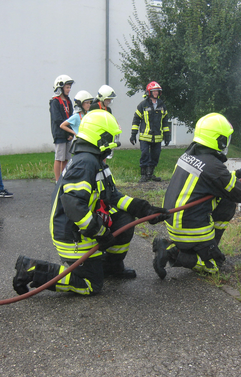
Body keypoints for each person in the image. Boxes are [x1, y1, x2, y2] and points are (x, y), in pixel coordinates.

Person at [13, 110, 168, 296]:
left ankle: (111, 267)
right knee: (90, 285)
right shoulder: (85, 162)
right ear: (100, 137)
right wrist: (99, 232)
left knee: (124, 220)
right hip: (73, 235)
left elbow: (114, 197)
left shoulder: (95, 160)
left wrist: (145, 210)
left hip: (82, 228)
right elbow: (73, 204)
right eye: (111, 137)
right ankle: (32, 269)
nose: (114, 143)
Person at [151, 113, 241, 279]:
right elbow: (240, 193)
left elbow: (221, 181)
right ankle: (172, 253)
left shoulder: (190, 155)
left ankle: (198, 246)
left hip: (175, 221)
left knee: (226, 200)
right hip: (189, 228)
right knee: (215, 266)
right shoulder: (213, 166)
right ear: (219, 140)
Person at [130, 81, 171, 183]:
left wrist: (167, 135)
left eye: (157, 91)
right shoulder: (143, 105)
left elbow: (165, 121)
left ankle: (150, 174)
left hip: (157, 137)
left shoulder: (162, 105)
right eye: (154, 91)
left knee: (155, 155)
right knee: (144, 154)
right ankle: (143, 175)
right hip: (145, 136)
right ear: (149, 92)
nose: (156, 93)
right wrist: (133, 134)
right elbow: (136, 120)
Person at [50, 74, 74, 182]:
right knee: (59, 158)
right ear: (60, 88)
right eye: (67, 87)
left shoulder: (68, 101)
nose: (69, 89)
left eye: (69, 87)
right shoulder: (55, 102)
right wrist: (67, 133)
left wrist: (71, 133)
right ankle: (57, 180)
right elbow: (57, 119)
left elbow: (72, 118)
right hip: (60, 134)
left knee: (66, 158)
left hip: (68, 134)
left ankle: (64, 178)